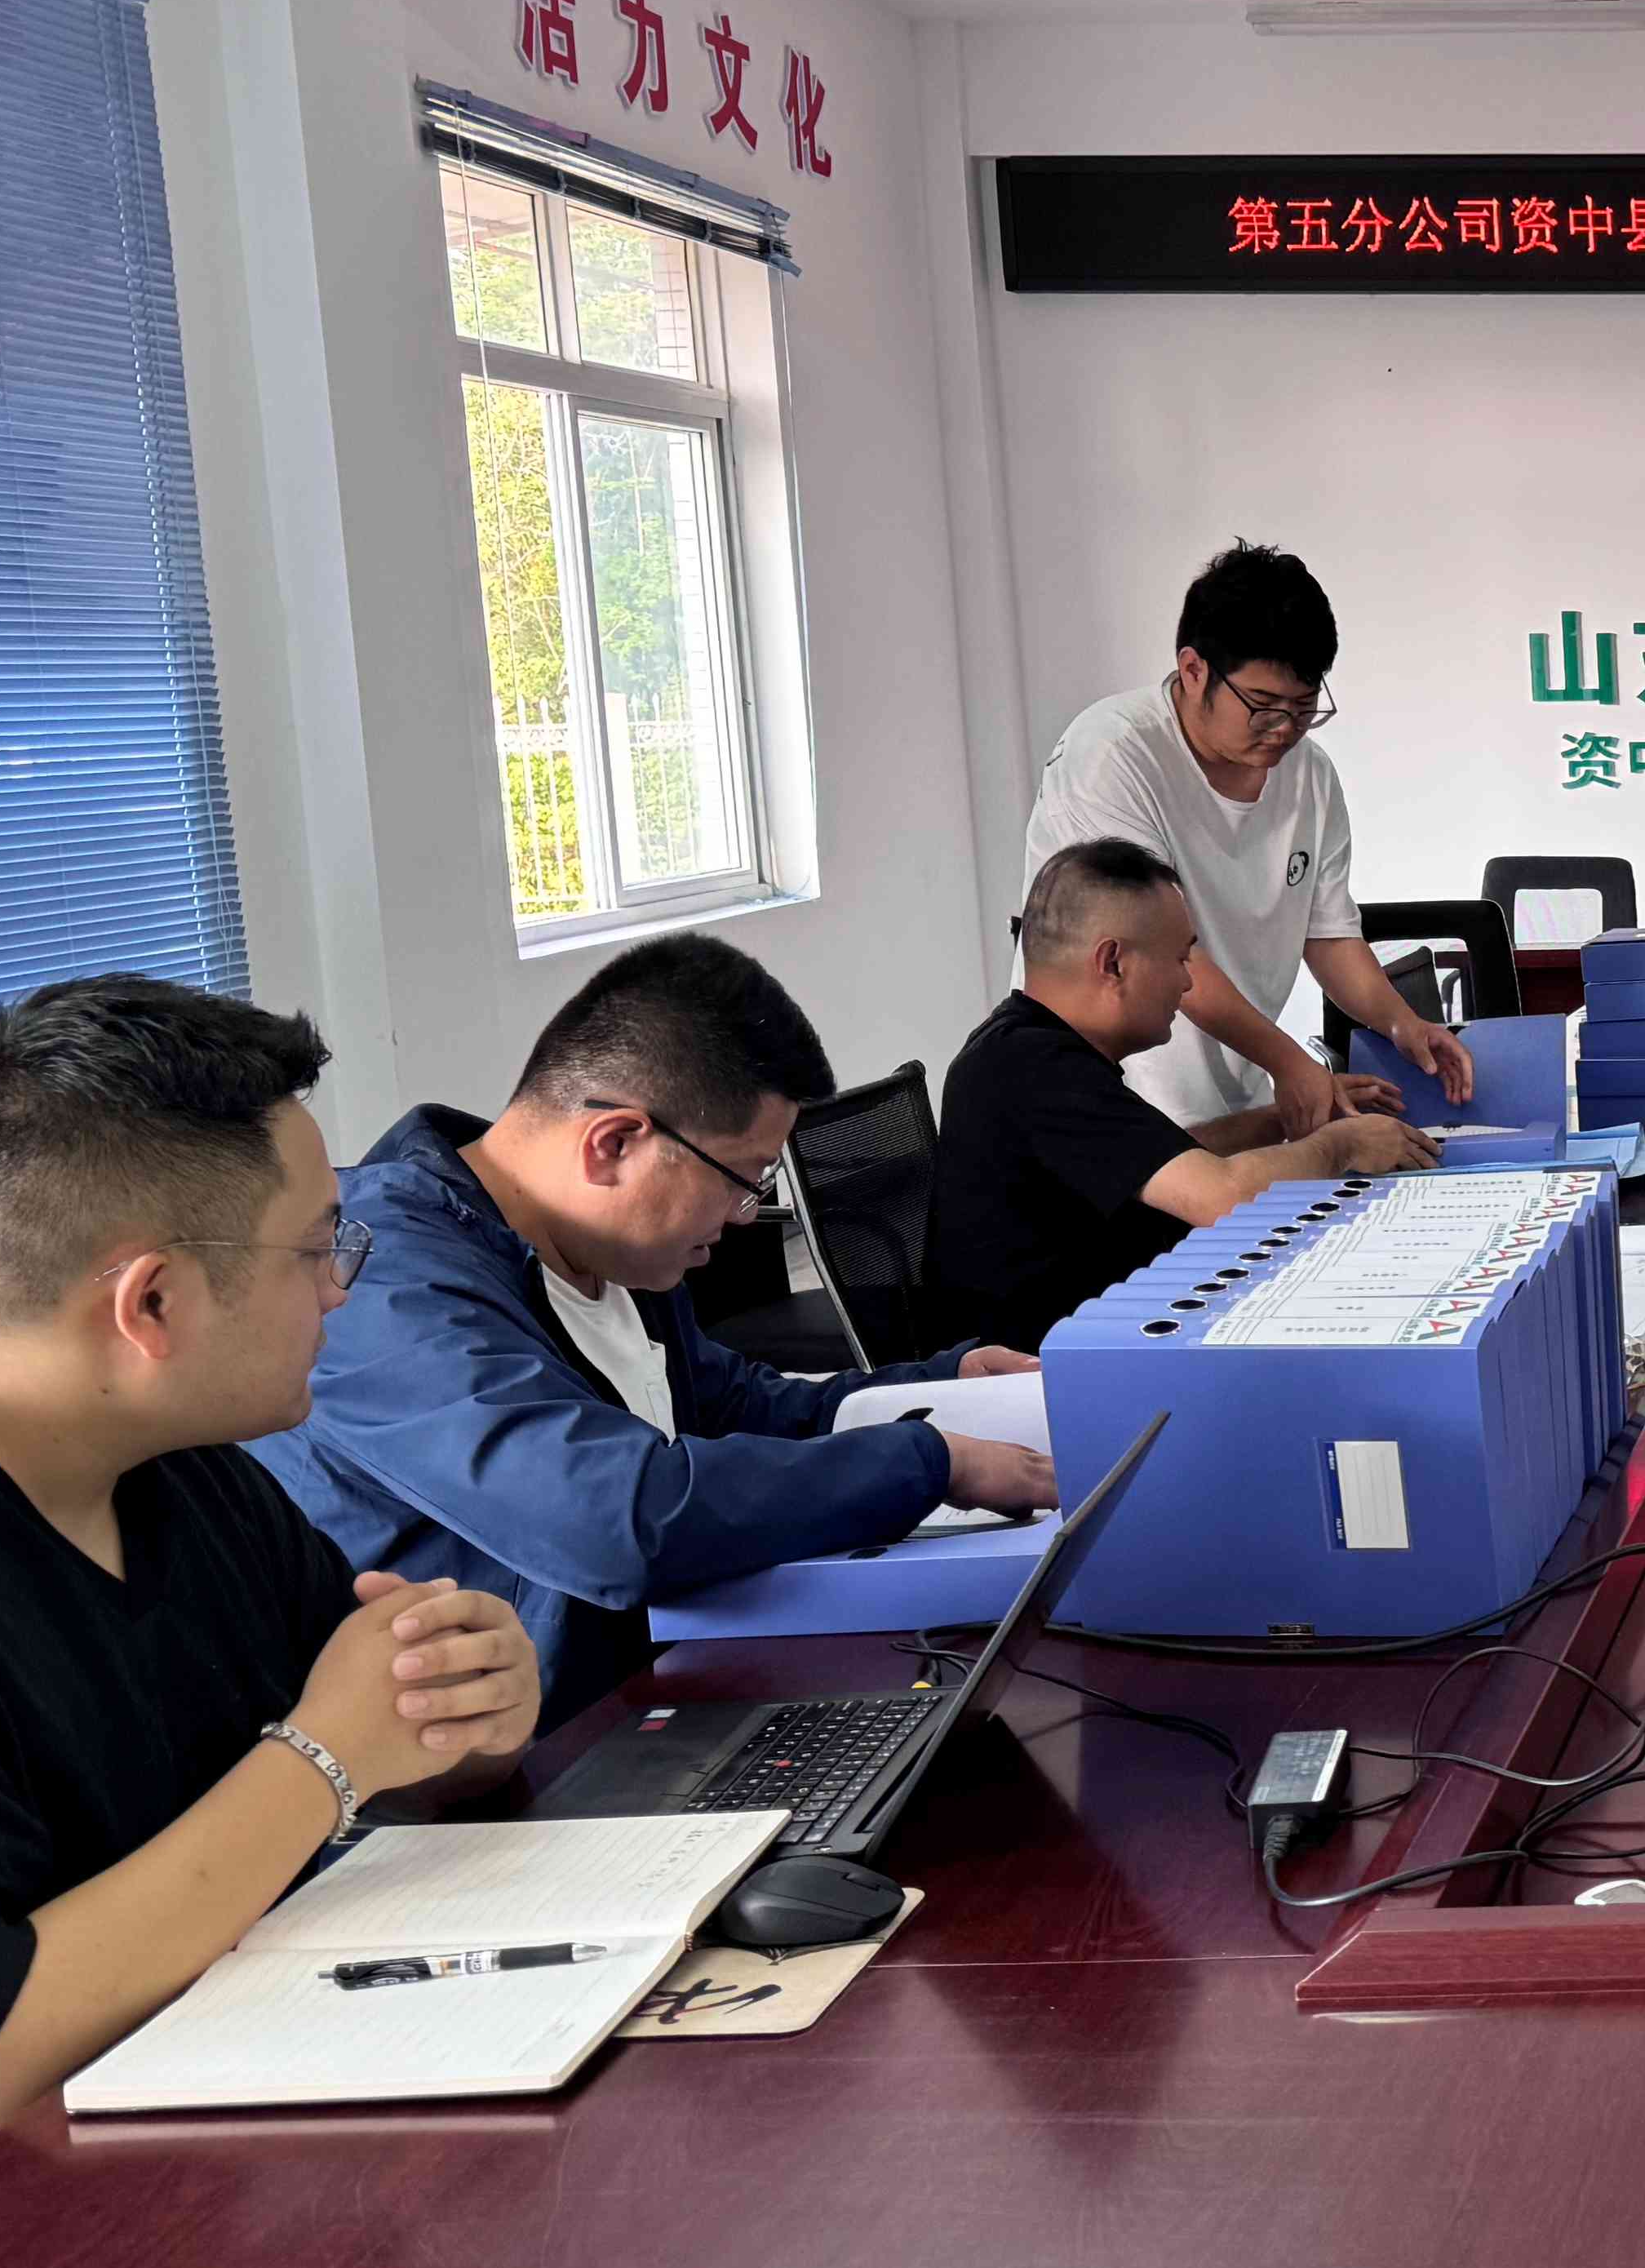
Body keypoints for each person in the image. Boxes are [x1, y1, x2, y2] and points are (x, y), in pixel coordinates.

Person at [0, 977, 543, 2268]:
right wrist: (325, 1758)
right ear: (152, 1302)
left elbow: (378, 1728)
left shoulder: (174, 1466)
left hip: (179, 2119)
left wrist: (468, 1696)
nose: (341, 1287)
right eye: (316, 1249)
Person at [253, 935, 1058, 1729]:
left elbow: (729, 1404)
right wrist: (928, 1461)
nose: (744, 1216)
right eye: (745, 1179)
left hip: (662, 1681)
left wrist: (936, 1388)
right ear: (614, 1144)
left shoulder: (606, 1248)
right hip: (521, 1755)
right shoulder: (389, 1283)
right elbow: (613, 1517)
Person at [1023, 539, 1477, 1135]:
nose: (1284, 729)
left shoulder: (1310, 776)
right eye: (1263, 706)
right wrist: (1290, 1063)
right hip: (1118, 1089)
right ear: (1194, 670)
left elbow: (1329, 933)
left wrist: (1401, 1023)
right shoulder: (1113, 754)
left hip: (1236, 1085)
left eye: (1305, 708)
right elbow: (1159, 950)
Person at [931, 840, 1446, 1351]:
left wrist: (1283, 1119)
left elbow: (1168, 1158)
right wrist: (1342, 1146)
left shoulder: (1028, 1047)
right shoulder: (1035, 1066)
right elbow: (1222, 1196)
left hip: (1097, 1323)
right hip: (1046, 1363)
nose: (1184, 982)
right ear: (1113, 963)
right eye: (1179, 958)